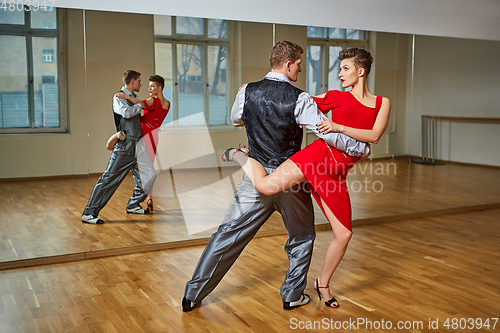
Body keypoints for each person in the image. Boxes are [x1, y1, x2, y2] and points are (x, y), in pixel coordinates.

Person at [182, 41, 370, 312]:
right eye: (299, 64)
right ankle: (292, 295)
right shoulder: (300, 98)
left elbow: (236, 119)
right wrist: (360, 147)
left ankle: (192, 295)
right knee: (302, 237)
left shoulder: (247, 90)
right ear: (288, 64)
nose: (301, 69)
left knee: (227, 235)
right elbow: (326, 133)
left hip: (256, 178)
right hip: (291, 177)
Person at [224, 47, 391, 309]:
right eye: (340, 68)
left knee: (344, 234)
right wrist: (252, 92)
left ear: (361, 71)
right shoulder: (335, 96)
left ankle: (322, 283)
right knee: (266, 186)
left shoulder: (383, 103)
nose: (340, 73)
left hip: (336, 174)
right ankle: (239, 156)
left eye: (345, 68)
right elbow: (291, 100)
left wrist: (338, 127)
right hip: (318, 157)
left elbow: (374, 136)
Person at [81, 70, 157, 224]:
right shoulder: (118, 97)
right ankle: (89, 213)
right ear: (133, 81)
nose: (141, 84)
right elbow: (126, 113)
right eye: (139, 81)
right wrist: (140, 106)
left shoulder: (133, 98)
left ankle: (133, 204)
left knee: (150, 176)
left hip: (138, 145)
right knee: (109, 179)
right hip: (125, 146)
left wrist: (138, 103)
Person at [107, 75, 170, 211]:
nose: (149, 88)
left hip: (143, 135)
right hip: (154, 136)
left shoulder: (152, 100)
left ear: (159, 88)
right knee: (148, 170)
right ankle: (147, 199)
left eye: (152, 86)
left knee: (143, 170)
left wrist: (127, 97)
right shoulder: (167, 103)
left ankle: (143, 199)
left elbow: (141, 104)